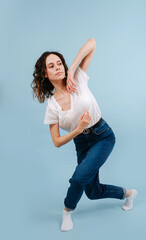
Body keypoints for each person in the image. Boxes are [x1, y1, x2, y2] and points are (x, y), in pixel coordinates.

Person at [31, 38, 138, 232]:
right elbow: (56, 142)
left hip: (103, 135)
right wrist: (78, 129)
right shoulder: (52, 106)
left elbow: (92, 43)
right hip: (81, 141)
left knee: (79, 177)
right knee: (92, 191)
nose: (58, 67)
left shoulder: (77, 78)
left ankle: (66, 210)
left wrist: (72, 69)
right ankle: (128, 193)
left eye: (59, 63)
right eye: (51, 66)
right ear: (44, 74)